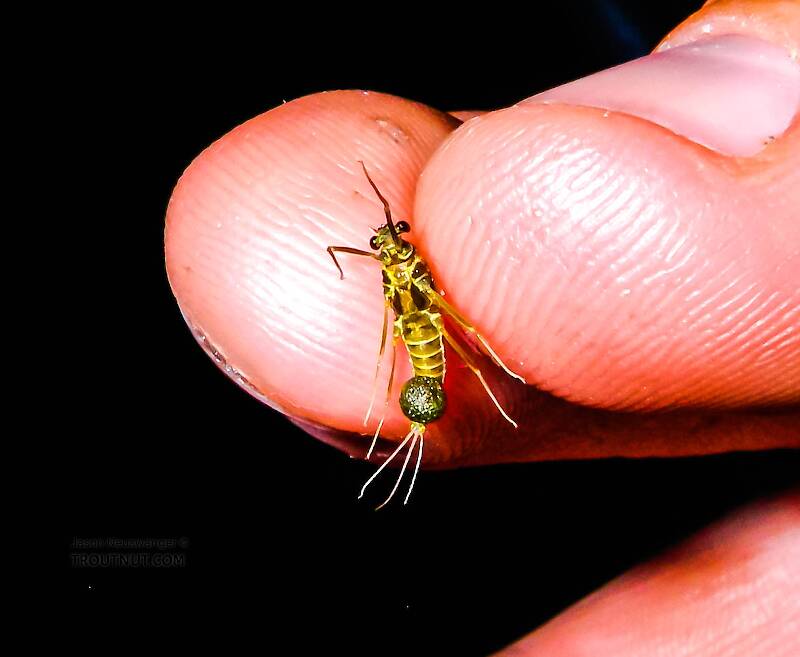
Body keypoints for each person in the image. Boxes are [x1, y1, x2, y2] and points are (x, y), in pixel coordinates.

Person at [165, 1, 799, 653]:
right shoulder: (403, 265)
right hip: (415, 336)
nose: (392, 237)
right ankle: (425, 411)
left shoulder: (403, 263)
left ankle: (441, 410)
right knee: (398, 346)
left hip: (424, 330)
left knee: (429, 334)